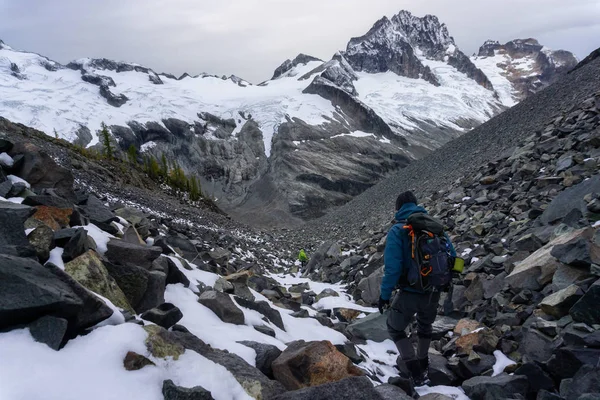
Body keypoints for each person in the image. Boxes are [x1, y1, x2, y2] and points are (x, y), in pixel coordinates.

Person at [378, 191, 456, 389]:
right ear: (416, 204)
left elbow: (393, 268)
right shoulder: (435, 228)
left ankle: (415, 372)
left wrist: (384, 295)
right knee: (425, 326)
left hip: (409, 292)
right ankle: (423, 363)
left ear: (398, 208)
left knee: (395, 328)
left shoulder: (398, 230)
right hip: (434, 290)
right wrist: (449, 280)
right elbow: (454, 257)